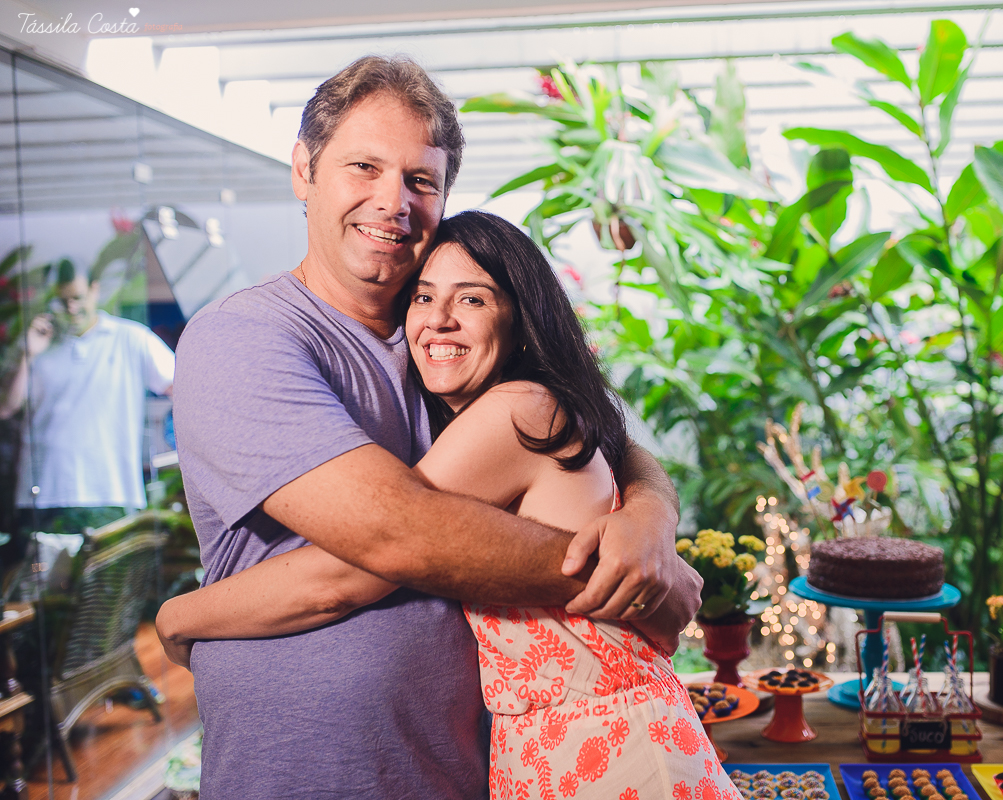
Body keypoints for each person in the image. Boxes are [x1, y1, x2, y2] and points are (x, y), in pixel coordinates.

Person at [166, 55, 700, 800]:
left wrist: (649, 515)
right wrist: (634, 576)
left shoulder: (445, 355)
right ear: (303, 171)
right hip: (307, 774)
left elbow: (582, 437)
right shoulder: (246, 338)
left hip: (473, 766)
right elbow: (396, 534)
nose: (393, 202)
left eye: (421, 181)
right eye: (364, 167)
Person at [0, 259, 175, 535]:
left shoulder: (131, 338)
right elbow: (7, 407)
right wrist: (28, 353)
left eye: (77, 297)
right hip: (44, 494)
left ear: (94, 290)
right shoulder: (40, 344)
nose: (71, 307)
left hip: (111, 493)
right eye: (62, 300)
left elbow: (180, 386)